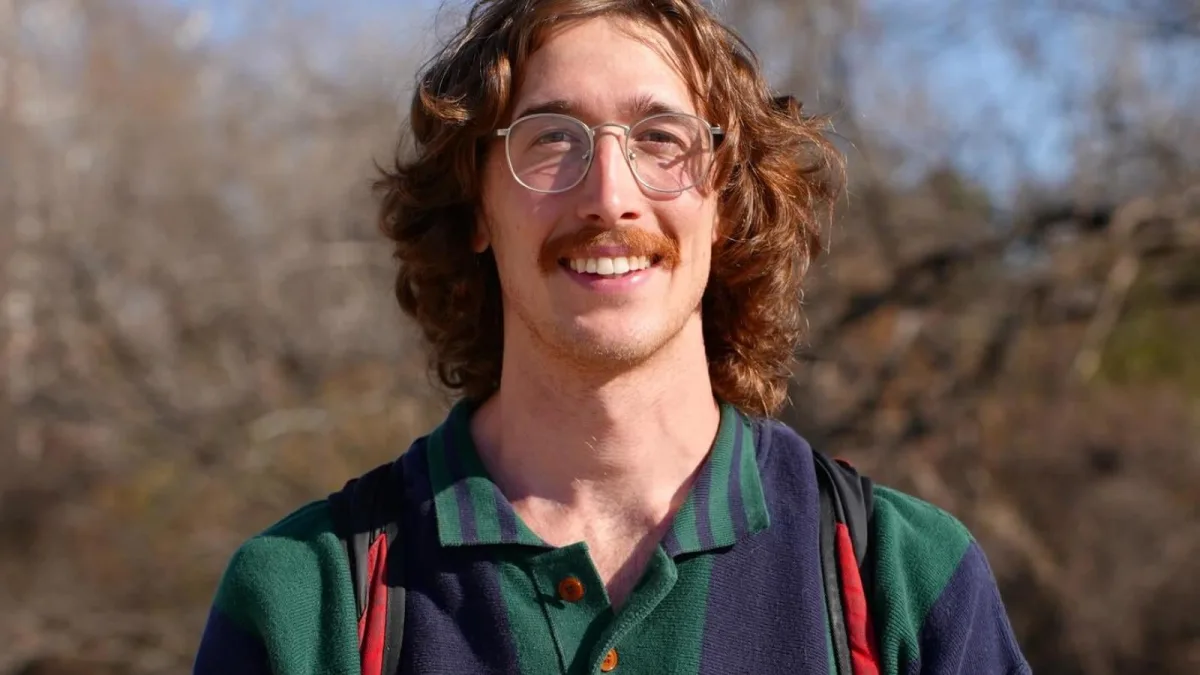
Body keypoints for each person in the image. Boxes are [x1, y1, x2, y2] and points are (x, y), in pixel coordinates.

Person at [194, 0, 1032, 673]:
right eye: (551, 139)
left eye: (660, 139)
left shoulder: (901, 582)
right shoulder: (309, 600)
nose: (609, 195)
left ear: (725, 202)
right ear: (477, 205)